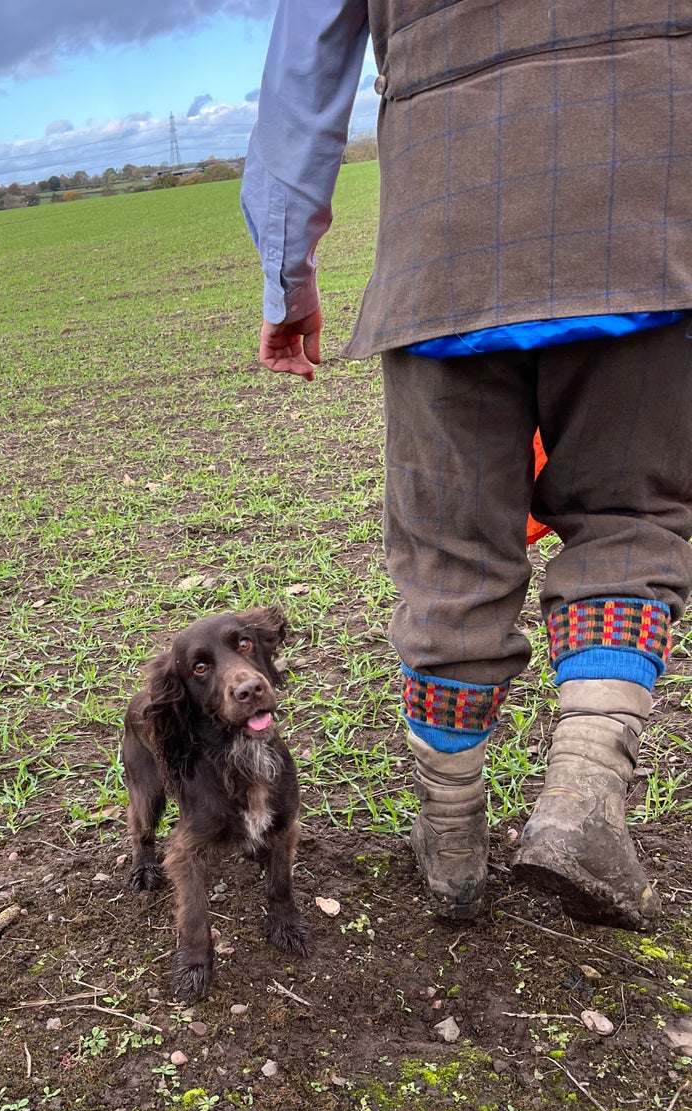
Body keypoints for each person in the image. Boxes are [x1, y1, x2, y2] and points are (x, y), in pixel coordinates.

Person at [242, 0, 692, 930]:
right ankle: (584, 792)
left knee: (447, 553)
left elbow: (302, 78)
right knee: (633, 518)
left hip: (447, 244)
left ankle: (451, 842)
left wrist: (288, 274)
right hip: (653, 211)